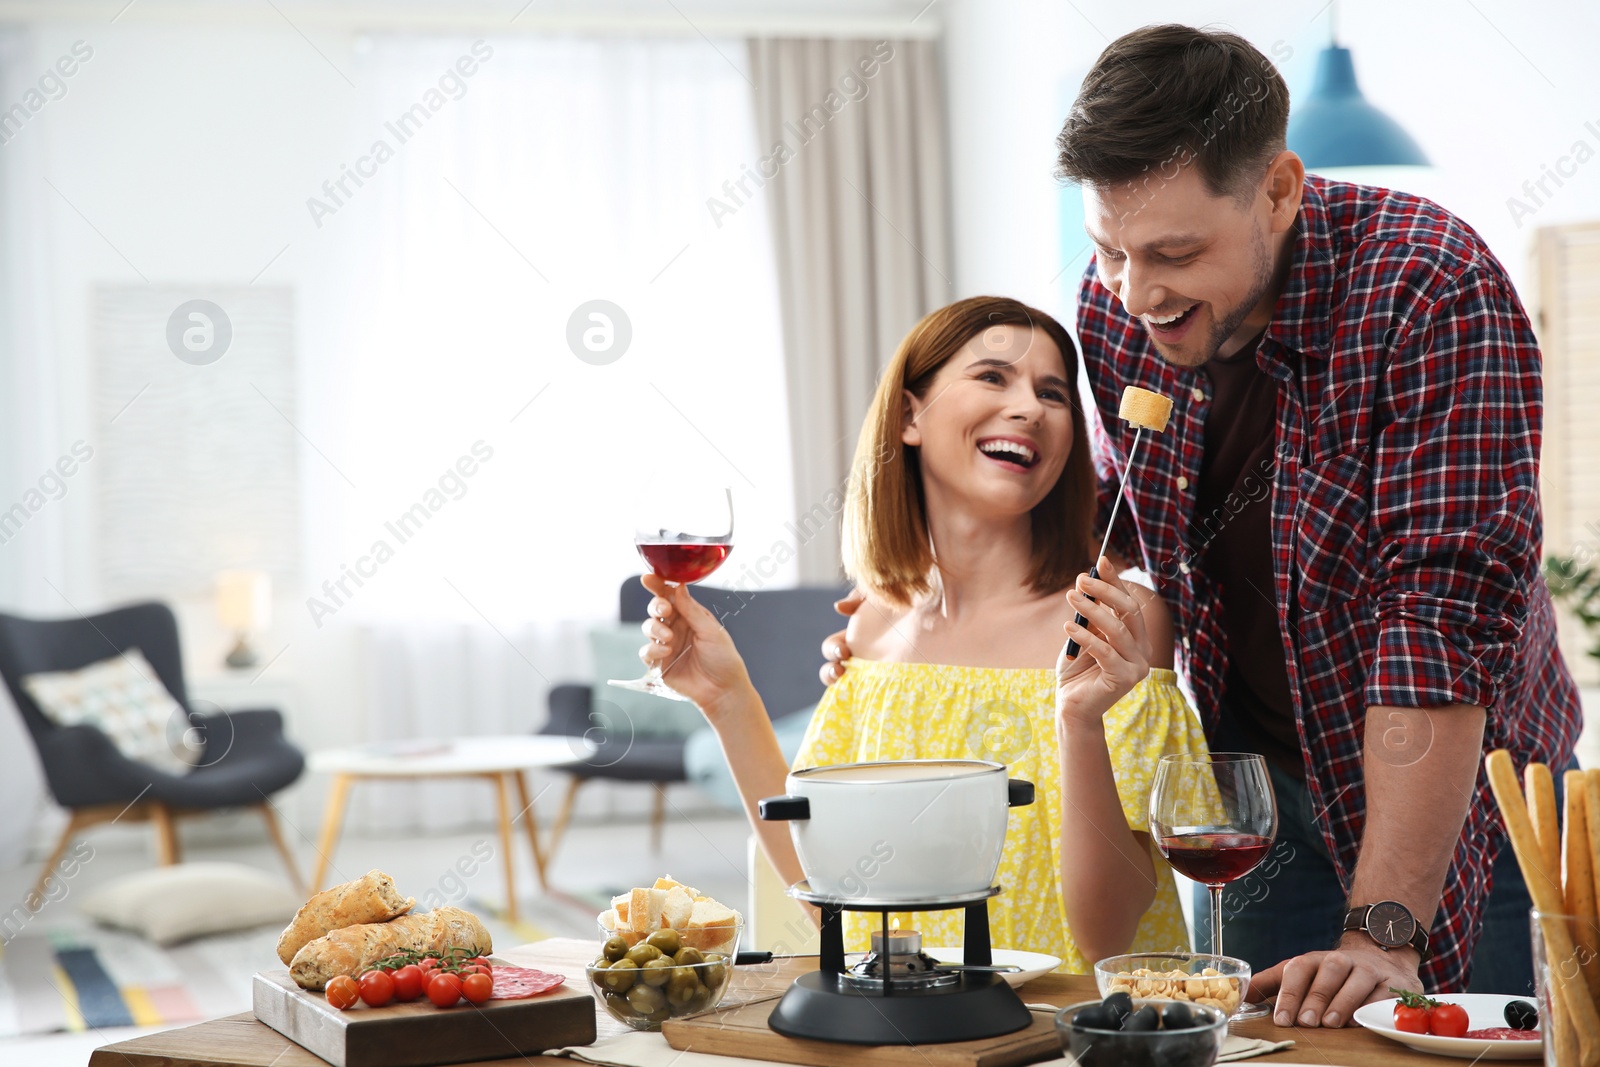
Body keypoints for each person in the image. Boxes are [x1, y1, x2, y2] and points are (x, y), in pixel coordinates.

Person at [824, 23, 1581, 1027]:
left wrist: (1383, 930)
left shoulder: (1429, 289)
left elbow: (1437, 622)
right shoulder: (1120, 308)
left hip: (1459, 802)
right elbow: (1141, 512)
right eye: (1109, 251)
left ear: (1277, 189)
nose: (1135, 294)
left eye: (1174, 252)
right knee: (1256, 1047)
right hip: (1256, 799)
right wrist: (927, 614)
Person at [637, 296, 1208, 969]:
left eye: (1052, 392)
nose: (1029, 406)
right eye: (994, 377)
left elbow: (1107, 938)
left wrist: (1080, 724)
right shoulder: (875, 622)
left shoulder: (1117, 622)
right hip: (911, 1032)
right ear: (910, 415)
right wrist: (727, 700)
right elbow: (836, 895)